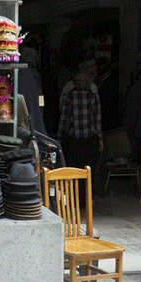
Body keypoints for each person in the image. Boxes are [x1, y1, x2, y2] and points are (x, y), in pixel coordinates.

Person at [57, 59, 103, 201]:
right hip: (90, 139)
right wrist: (100, 139)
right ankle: (87, 198)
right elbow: (97, 120)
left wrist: (59, 137)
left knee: (74, 170)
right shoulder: (93, 96)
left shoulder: (69, 96)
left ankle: (74, 199)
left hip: (73, 140)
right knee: (88, 170)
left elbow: (63, 118)